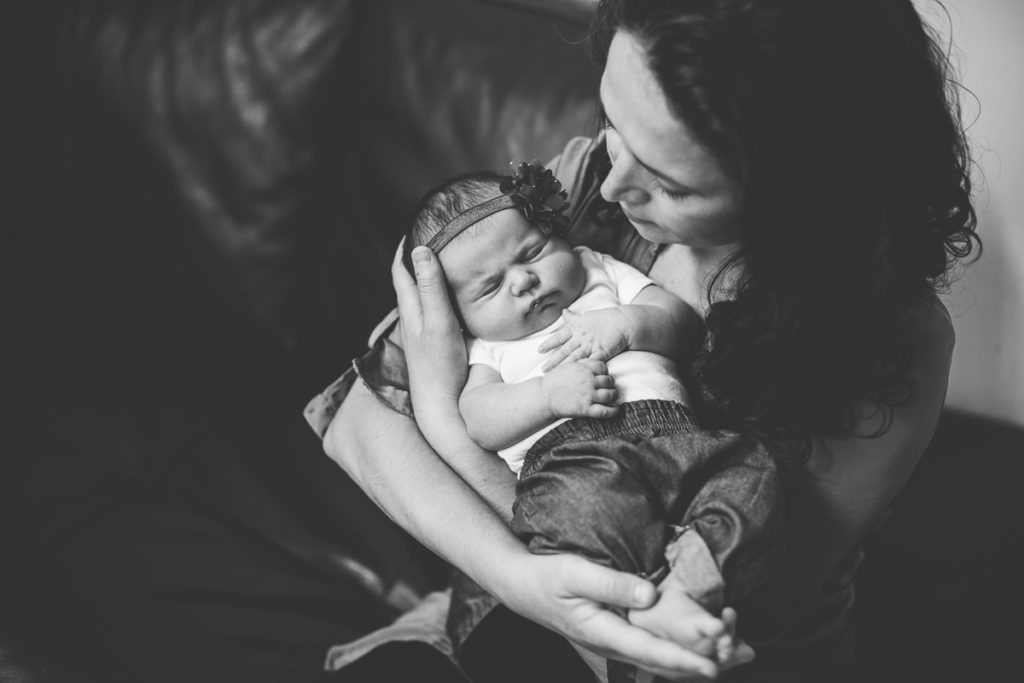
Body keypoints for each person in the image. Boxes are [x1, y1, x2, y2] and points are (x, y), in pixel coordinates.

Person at [314, 0, 978, 679]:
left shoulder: (891, 349)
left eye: (670, 185)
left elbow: (656, 657)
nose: (610, 180)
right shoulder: (585, 185)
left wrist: (446, 429)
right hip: (503, 600)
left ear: (797, 199)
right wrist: (515, 573)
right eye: (610, 120)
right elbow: (354, 422)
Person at [399, 162, 786, 677]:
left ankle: (691, 579)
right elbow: (479, 420)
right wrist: (546, 396)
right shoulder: (486, 347)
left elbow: (683, 325)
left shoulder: (598, 272)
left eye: (532, 251)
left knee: (754, 474)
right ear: (459, 314)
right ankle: (654, 606)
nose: (524, 281)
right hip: (570, 462)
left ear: (559, 236)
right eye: (489, 288)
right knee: (580, 519)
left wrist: (627, 324)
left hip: (678, 436)